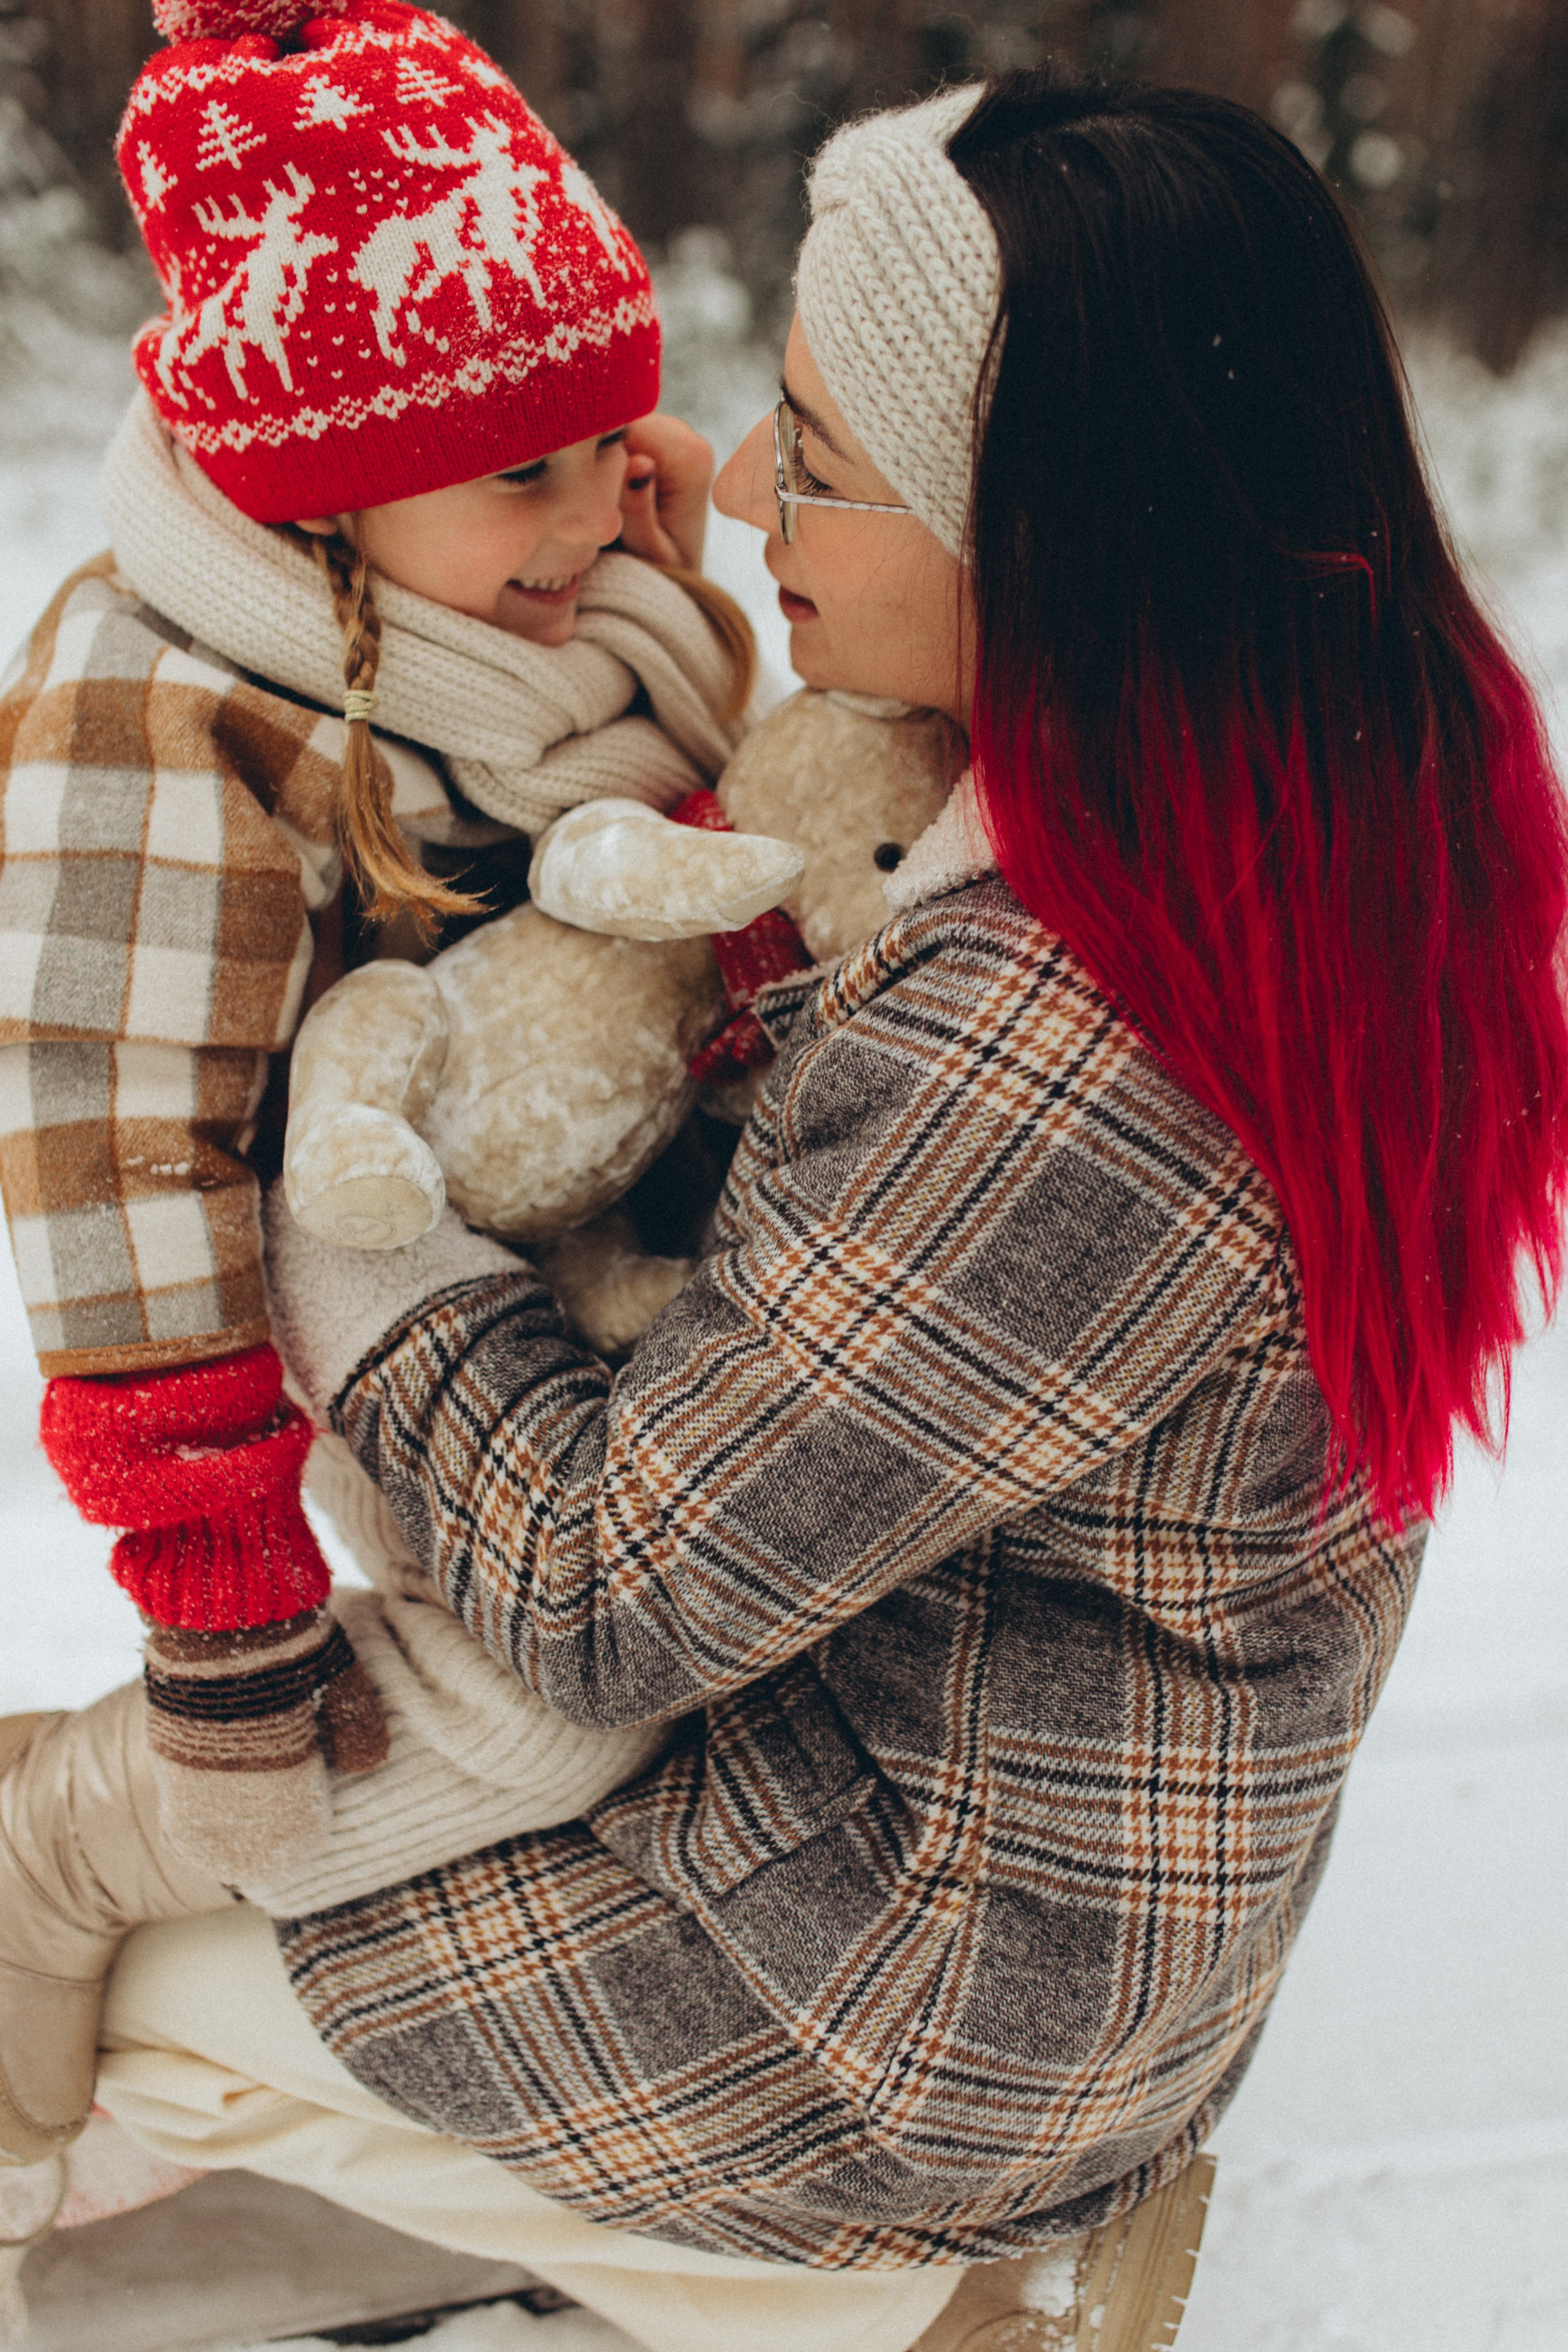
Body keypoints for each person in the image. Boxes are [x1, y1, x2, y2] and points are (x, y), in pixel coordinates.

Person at [7, 62, 1568, 2352]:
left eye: (818, 460)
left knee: (111, 1935)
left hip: (917, 2013)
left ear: (1044, 527)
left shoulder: (1069, 1039)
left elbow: (601, 1595)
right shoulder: (1278, 796)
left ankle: (910, 2299)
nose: (729, 493)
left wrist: (333, 1200)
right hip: (1069, 1884)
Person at [0, 0, 758, 2165]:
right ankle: (64, 1848)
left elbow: (699, 875)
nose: (602, 504)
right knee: (537, 1725)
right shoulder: (157, 717)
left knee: (706, 1641)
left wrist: (638, 546)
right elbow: (114, 1171)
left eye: (615, 437)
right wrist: (226, 1629)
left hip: (550, 1258)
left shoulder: (539, 608)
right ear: (315, 492)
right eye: (529, 461)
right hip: (328, 1268)